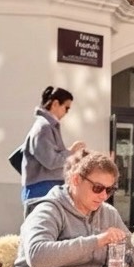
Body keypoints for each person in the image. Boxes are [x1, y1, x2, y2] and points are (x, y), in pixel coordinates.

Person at [12, 150, 128, 267]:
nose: (104, 196)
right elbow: (37, 256)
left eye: (109, 190)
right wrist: (97, 241)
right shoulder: (48, 209)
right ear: (76, 180)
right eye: (98, 188)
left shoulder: (108, 213)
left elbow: (131, 246)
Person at [21, 86, 85, 216]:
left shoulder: (47, 126)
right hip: (41, 190)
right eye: (66, 108)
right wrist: (71, 152)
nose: (67, 112)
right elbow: (51, 161)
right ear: (55, 104)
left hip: (44, 188)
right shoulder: (43, 127)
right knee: (40, 227)